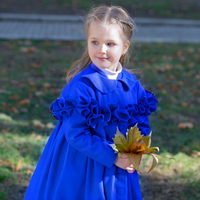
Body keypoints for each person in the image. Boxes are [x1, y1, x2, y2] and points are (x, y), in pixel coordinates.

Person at [24, 5, 158, 200]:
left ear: (125, 47)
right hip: (84, 167)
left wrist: (134, 149)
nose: (101, 50)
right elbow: (76, 133)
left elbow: (141, 123)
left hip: (120, 166)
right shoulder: (82, 86)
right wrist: (113, 157)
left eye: (110, 44)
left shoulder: (132, 85)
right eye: (95, 42)